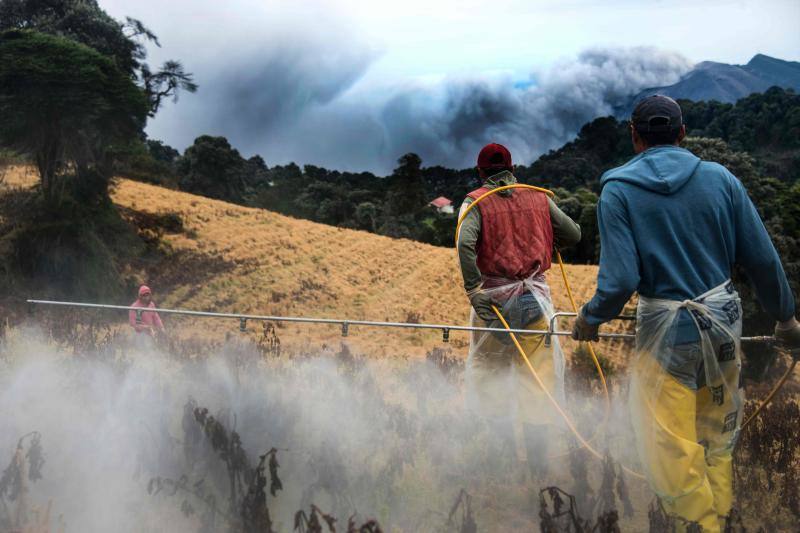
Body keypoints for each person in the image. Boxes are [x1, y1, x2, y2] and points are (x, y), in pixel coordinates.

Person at [571, 95, 800, 532]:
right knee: (716, 432)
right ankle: (723, 515)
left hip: (666, 335)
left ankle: (699, 525)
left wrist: (590, 318)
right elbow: (763, 260)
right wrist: (786, 319)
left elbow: (619, 281)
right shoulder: (721, 179)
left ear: (635, 137)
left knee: (671, 444)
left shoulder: (618, 191)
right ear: (682, 133)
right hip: (723, 323)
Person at [457, 142, 581, 477]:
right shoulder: (538, 197)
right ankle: (539, 468)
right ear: (513, 168)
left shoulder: (475, 201)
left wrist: (473, 290)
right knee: (537, 378)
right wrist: (543, 236)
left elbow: (465, 243)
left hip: (494, 304)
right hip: (534, 303)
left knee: (491, 372)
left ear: (481, 171)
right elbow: (573, 233)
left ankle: (503, 461)